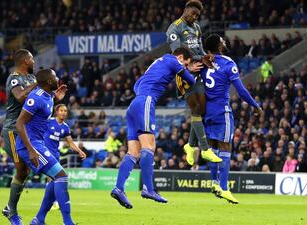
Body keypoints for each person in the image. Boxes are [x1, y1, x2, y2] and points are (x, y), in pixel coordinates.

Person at [111, 47, 197, 209]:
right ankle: (149, 189)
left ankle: (119, 188)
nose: (185, 66)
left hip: (134, 105)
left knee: (133, 152)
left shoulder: (158, 63)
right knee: (149, 146)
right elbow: (190, 80)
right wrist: (190, 71)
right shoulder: (173, 60)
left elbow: (137, 85)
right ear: (180, 57)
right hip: (146, 102)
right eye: (185, 62)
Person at [2, 50, 67, 225]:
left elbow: (41, 101)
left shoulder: (32, 80)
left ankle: (33, 215)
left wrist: (53, 96)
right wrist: (38, 83)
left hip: (31, 131)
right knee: (22, 170)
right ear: (25, 61)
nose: (33, 62)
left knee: (27, 172)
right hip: (14, 129)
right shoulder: (14, 78)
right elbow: (20, 96)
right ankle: (12, 210)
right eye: (31, 59)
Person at [200, 34, 262, 204]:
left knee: (212, 149)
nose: (225, 42)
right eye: (222, 41)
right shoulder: (227, 63)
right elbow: (241, 91)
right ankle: (224, 188)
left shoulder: (203, 61)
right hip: (221, 111)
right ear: (218, 46)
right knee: (226, 148)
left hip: (206, 112)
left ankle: (214, 183)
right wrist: (255, 105)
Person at [15, 69, 75, 225]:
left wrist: (56, 97)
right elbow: (19, 123)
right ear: (49, 82)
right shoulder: (35, 98)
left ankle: (39, 219)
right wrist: (30, 150)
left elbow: (43, 109)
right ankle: (67, 222)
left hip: (38, 143)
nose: (58, 78)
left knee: (56, 178)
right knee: (61, 176)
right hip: (30, 144)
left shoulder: (48, 96)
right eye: (55, 76)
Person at [166, 0, 221, 166]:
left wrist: (206, 57)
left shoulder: (196, 27)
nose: (195, 17)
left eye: (198, 15)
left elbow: (199, 49)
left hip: (198, 69)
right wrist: (188, 65)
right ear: (186, 10)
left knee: (201, 110)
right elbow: (177, 54)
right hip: (184, 73)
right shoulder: (174, 28)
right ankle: (204, 149)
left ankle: (190, 146)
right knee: (196, 109)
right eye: (193, 13)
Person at [31, 103, 86, 224]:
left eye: (65, 111)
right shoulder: (48, 122)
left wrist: (79, 151)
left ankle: (41, 217)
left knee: (53, 180)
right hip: (45, 155)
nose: (63, 113)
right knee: (56, 178)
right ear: (56, 112)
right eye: (61, 110)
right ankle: (57, 207)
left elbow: (70, 143)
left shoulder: (65, 127)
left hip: (55, 156)